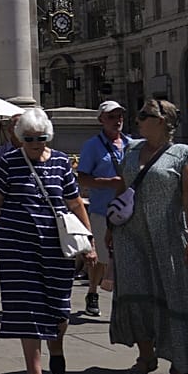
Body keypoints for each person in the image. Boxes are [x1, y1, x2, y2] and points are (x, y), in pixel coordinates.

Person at [0, 107, 97, 374]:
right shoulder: (9, 162)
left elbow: (76, 202)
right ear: (19, 137)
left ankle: (56, 346)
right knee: (27, 309)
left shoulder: (61, 163)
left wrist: (89, 243)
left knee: (59, 307)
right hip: (18, 246)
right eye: (28, 138)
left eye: (40, 138)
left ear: (48, 136)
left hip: (57, 246)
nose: (35, 143)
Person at [109, 98, 188, 374]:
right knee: (136, 294)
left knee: (176, 295)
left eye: (143, 115)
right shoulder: (132, 149)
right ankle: (146, 357)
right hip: (132, 235)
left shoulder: (182, 154)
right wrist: (114, 223)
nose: (137, 120)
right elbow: (123, 186)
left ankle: (180, 364)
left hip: (169, 235)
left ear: (162, 121)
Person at [77, 100, 138, 317]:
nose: (117, 121)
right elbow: (82, 178)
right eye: (112, 117)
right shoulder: (92, 146)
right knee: (102, 257)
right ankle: (93, 292)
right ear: (101, 120)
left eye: (120, 116)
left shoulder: (132, 145)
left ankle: (122, 301)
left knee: (126, 257)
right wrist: (107, 182)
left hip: (130, 211)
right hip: (103, 210)